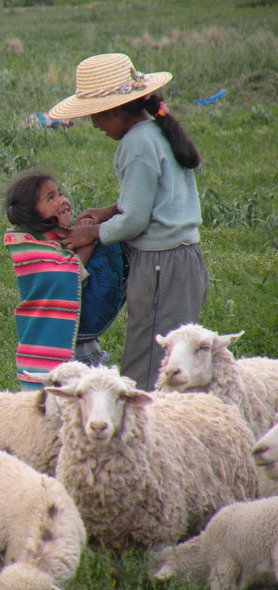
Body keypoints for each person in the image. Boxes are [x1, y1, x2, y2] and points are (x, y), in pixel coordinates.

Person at [48, 53, 208, 391]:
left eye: (96, 116)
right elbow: (153, 197)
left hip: (161, 265)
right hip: (183, 259)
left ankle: (141, 429)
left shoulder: (136, 145)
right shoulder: (156, 132)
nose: (94, 125)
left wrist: (93, 232)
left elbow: (135, 221)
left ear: (115, 110)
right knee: (177, 357)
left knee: (151, 359)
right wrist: (109, 211)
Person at [4, 168, 127, 390]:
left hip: (84, 343)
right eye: (51, 198)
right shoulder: (31, 248)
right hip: (52, 342)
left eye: (59, 193)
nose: (62, 201)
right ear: (32, 213)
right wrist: (89, 240)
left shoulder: (63, 238)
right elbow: (67, 275)